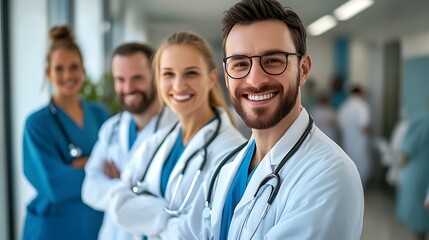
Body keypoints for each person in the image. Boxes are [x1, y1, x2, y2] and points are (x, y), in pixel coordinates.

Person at [179, 0, 364, 239]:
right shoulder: (228, 167)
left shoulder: (330, 175)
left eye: (273, 61)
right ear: (226, 77)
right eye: (240, 64)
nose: (255, 80)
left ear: (304, 69)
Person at [107, 31, 247, 239]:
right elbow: (118, 204)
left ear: (210, 78)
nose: (179, 85)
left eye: (191, 73)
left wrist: (147, 212)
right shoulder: (156, 143)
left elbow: (201, 233)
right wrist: (170, 218)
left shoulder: (233, 153)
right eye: (168, 74)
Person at [82, 43, 177, 240]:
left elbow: (174, 205)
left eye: (137, 78)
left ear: (156, 76)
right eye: (120, 80)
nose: (128, 88)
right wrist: (135, 190)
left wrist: (117, 182)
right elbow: (90, 189)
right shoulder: (112, 129)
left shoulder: (177, 130)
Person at [22, 25, 109, 239]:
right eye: (59, 69)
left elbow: (119, 166)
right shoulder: (37, 124)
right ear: (48, 73)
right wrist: (97, 166)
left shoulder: (100, 114)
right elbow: (54, 185)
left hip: (96, 224)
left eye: (73, 67)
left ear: (83, 70)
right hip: (53, 229)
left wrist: (81, 165)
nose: (67, 75)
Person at [396, 109, 429, 240]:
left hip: (420, 176)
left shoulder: (422, 120)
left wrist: (398, 161)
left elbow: (406, 154)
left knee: (420, 224)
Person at [337, 86, 372, 186]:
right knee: (361, 165)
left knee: (349, 165)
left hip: (347, 141)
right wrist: (373, 130)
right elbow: (364, 127)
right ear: (360, 93)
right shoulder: (361, 106)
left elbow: (339, 125)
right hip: (359, 142)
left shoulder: (344, 106)